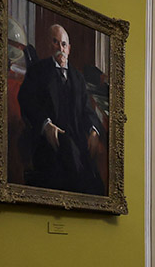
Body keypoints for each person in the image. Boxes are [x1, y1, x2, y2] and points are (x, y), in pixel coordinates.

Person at [17, 23, 105, 195]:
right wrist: (46, 125)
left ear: (69, 49)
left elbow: (87, 110)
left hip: (78, 141)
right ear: (49, 45)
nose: (60, 48)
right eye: (55, 42)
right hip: (50, 141)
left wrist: (94, 131)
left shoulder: (78, 77)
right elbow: (27, 101)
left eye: (63, 44)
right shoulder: (38, 71)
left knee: (94, 183)